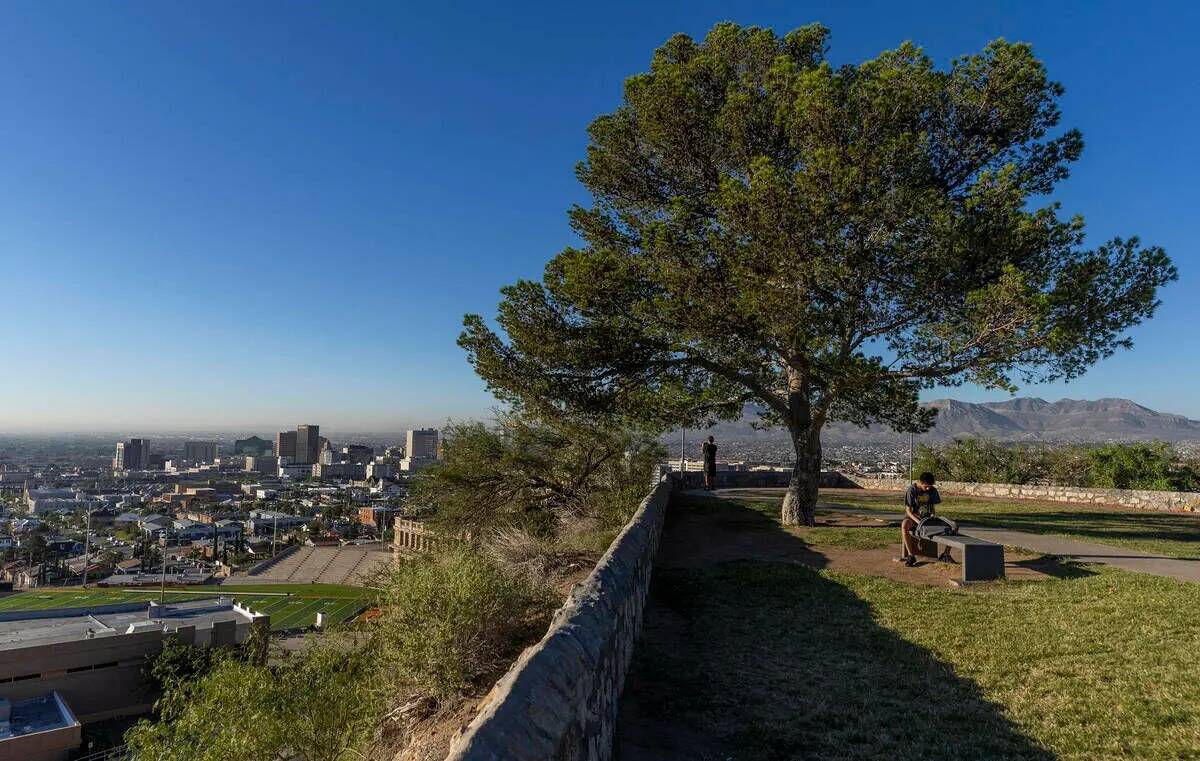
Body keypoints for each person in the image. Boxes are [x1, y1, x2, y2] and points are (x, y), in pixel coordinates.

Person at [901, 471, 941, 567]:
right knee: (904, 525)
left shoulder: (932, 490)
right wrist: (919, 522)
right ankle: (911, 555)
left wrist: (932, 516)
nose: (928, 488)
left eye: (930, 486)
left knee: (951, 525)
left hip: (927, 517)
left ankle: (946, 554)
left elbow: (932, 507)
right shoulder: (912, 490)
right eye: (926, 486)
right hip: (914, 517)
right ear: (920, 482)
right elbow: (908, 511)